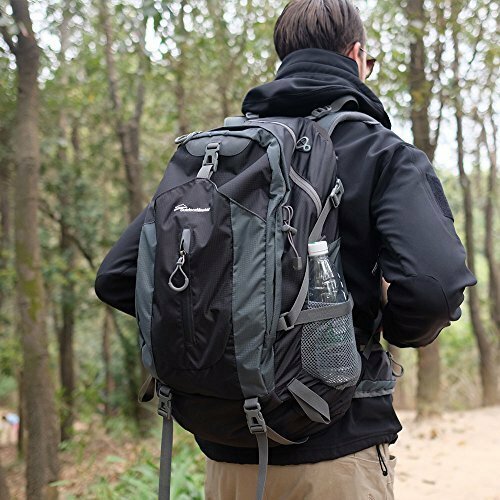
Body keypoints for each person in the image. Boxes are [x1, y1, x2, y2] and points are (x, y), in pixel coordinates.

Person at [95, 0, 476, 497]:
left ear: (285, 58)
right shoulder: (381, 152)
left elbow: (119, 277)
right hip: (337, 450)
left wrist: (223, 333)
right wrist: (386, 327)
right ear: (357, 55)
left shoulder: (220, 157)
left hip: (225, 457)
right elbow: (434, 290)